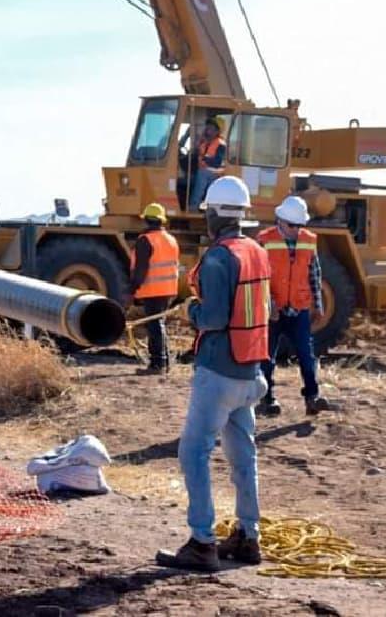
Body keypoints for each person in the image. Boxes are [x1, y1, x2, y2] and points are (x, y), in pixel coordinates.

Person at [156, 176, 270, 572]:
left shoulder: (220, 257)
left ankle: (202, 543)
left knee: (193, 453)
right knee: (243, 456)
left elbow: (216, 317)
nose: (204, 216)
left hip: (219, 371)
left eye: (207, 210)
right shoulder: (256, 250)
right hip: (251, 372)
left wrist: (191, 312)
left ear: (218, 214)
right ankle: (248, 537)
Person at [256, 196, 337, 417]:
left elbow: (314, 272)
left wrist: (318, 304)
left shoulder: (309, 240)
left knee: (306, 355)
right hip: (273, 310)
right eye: (292, 225)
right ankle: (267, 400)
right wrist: (268, 302)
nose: (296, 230)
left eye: (300, 225)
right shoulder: (264, 240)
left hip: (299, 309)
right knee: (266, 358)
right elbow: (258, 277)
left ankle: (313, 397)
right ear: (280, 221)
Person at [130, 203, 180, 374]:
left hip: (153, 290)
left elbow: (141, 269)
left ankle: (157, 365)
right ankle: (164, 362)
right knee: (159, 324)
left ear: (146, 219)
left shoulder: (146, 240)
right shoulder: (171, 239)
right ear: (161, 220)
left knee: (155, 325)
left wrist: (133, 288)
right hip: (168, 290)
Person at [187, 117, 227, 212]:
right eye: (207, 127)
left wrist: (205, 158)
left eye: (211, 128)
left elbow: (217, 162)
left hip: (214, 173)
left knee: (201, 178)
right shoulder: (205, 142)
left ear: (217, 131)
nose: (207, 129)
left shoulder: (221, 144)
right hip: (204, 171)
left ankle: (194, 206)